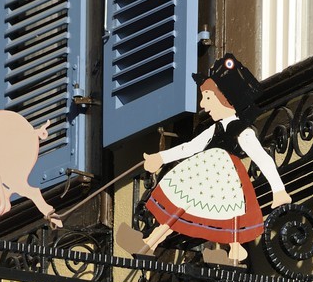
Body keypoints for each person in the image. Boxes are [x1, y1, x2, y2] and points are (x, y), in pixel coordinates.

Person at [117, 54, 291, 264]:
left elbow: (263, 159)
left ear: (226, 99)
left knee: (221, 217)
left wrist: (279, 191)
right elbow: (190, 147)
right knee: (181, 208)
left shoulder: (243, 132)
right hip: (203, 177)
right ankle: (150, 244)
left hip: (226, 181)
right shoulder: (214, 129)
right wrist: (160, 157)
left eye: (208, 98)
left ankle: (234, 253)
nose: (203, 104)